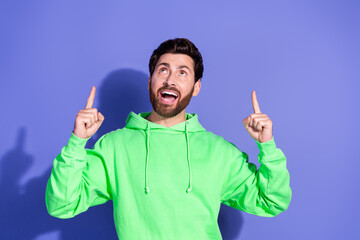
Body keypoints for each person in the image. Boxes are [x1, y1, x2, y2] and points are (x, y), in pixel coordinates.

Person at [45, 38, 292, 239]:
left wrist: (267, 147)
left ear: (196, 87)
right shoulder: (114, 147)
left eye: (183, 73)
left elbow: (271, 202)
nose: (170, 80)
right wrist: (77, 142)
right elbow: (62, 204)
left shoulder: (220, 152)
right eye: (163, 70)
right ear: (150, 81)